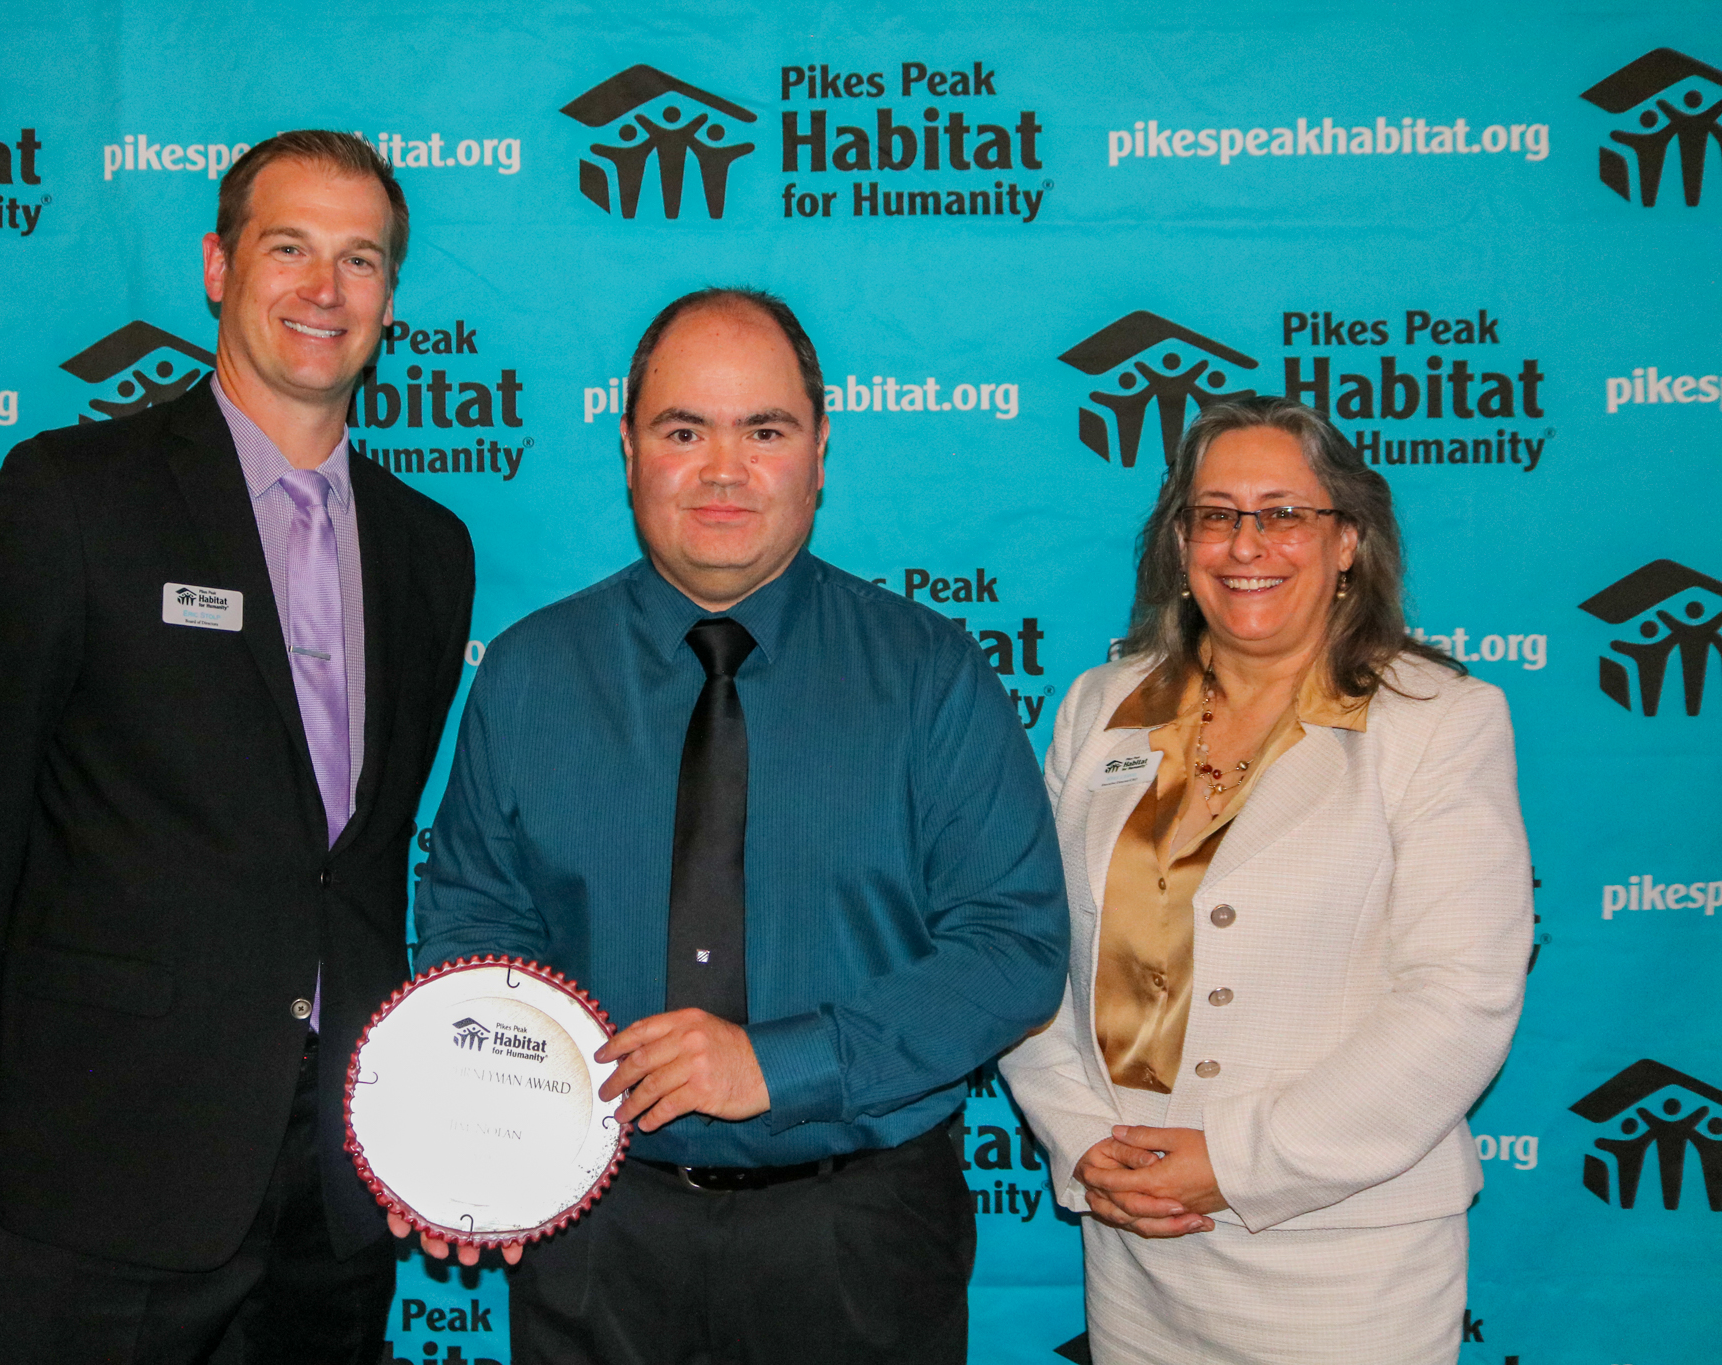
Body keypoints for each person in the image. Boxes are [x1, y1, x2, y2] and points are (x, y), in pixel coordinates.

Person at [0, 130, 474, 1362]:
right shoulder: (72, 496)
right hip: (107, 1155)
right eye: (288, 249)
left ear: (388, 298)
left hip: (340, 1172)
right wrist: (15, 1080)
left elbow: (357, 857)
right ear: (218, 267)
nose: (324, 290)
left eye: (359, 259)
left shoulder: (430, 549)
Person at [411, 287, 1070, 1364]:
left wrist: (784, 1065)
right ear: (627, 449)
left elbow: (1013, 949)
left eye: (763, 431)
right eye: (683, 430)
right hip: (594, 1235)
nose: (723, 469)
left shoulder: (929, 674)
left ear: (819, 453)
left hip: (857, 1237)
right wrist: (468, 1131)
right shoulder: (530, 673)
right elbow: (474, 929)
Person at [1000, 395, 1532, 1363]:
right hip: (1138, 1243)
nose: (1247, 543)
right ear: (1179, 540)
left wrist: (1235, 1163)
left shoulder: (1439, 722)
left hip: (1344, 1254)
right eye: (1215, 512)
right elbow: (1027, 948)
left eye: (1284, 512)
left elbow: (1460, 1000)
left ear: (1346, 543)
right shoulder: (1099, 706)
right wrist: (1082, 1139)